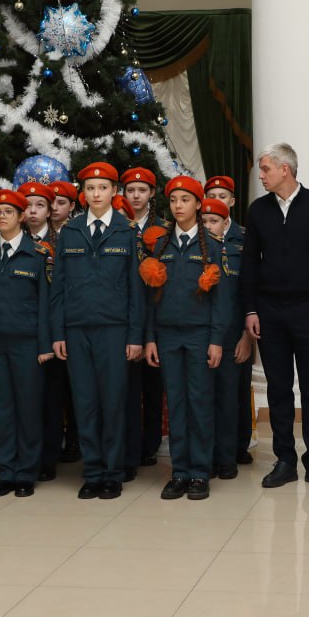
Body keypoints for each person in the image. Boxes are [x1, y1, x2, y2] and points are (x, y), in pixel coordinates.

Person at [241, 143, 309, 491]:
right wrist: (251, 310)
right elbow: (250, 264)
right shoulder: (258, 210)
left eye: (266, 169)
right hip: (270, 312)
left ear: (285, 169)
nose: (261, 175)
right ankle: (284, 459)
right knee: (278, 388)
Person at [50, 162, 144, 500]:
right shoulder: (71, 231)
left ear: (114, 191)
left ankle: (113, 472)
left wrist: (135, 336)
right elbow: (58, 287)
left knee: (113, 402)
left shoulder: (127, 231)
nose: (96, 194)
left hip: (114, 330)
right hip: (77, 329)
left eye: (103, 188)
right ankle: (92, 472)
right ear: (83, 193)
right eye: (90, 188)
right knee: (85, 402)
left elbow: (136, 290)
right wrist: (58, 333)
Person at [141, 177, 227, 501]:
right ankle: (179, 471)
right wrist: (150, 338)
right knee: (175, 403)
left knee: (199, 402)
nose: (178, 206)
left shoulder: (212, 246)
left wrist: (216, 339)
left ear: (198, 204)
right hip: (166, 335)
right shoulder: (160, 245)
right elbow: (151, 297)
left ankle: (200, 472)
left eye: (185, 200)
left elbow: (221, 300)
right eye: (174, 200)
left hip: (199, 335)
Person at [0, 189, 53, 497]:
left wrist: (45, 345)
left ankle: (26, 472)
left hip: (27, 344)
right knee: (0, 409)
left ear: (21, 216)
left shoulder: (38, 254)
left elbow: (45, 303)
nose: (1, 217)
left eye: (8, 212)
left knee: (28, 408)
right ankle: (7, 471)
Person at [20, 180, 70, 481]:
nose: (33, 211)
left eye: (39, 205)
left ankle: (48, 457)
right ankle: (24, 455)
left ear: (50, 210)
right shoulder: (13, 241)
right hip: (22, 332)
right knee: (24, 399)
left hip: (52, 332)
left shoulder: (60, 242)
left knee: (51, 397)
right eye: (27, 205)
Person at [206, 175, 255, 465]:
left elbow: (252, 291)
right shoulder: (199, 239)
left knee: (236, 393)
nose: (217, 200)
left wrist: (247, 337)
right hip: (209, 332)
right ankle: (216, 452)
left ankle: (238, 447)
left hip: (238, 330)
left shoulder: (244, 238)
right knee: (212, 395)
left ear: (232, 201)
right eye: (211, 196)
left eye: (222, 196)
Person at [122, 166, 167, 473]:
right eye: (130, 190)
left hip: (155, 312)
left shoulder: (163, 229)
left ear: (152, 193)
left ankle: (150, 444)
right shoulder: (117, 226)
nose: (135, 196)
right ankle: (128, 444)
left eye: (142, 190)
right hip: (123, 316)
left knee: (152, 386)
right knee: (126, 386)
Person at [199, 196, 246, 479]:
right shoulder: (195, 251)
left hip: (231, 336)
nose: (208, 226)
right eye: (203, 221)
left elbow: (245, 296)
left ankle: (227, 458)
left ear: (226, 222)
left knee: (228, 399)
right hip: (200, 334)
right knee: (203, 400)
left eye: (214, 221)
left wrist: (246, 337)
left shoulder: (237, 250)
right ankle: (208, 458)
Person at [46, 178, 83, 464]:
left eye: (62, 203)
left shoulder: (75, 233)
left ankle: (75, 440)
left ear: (72, 206)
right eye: (52, 203)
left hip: (74, 322)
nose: (55, 208)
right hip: (48, 325)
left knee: (76, 390)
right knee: (51, 390)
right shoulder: (36, 236)